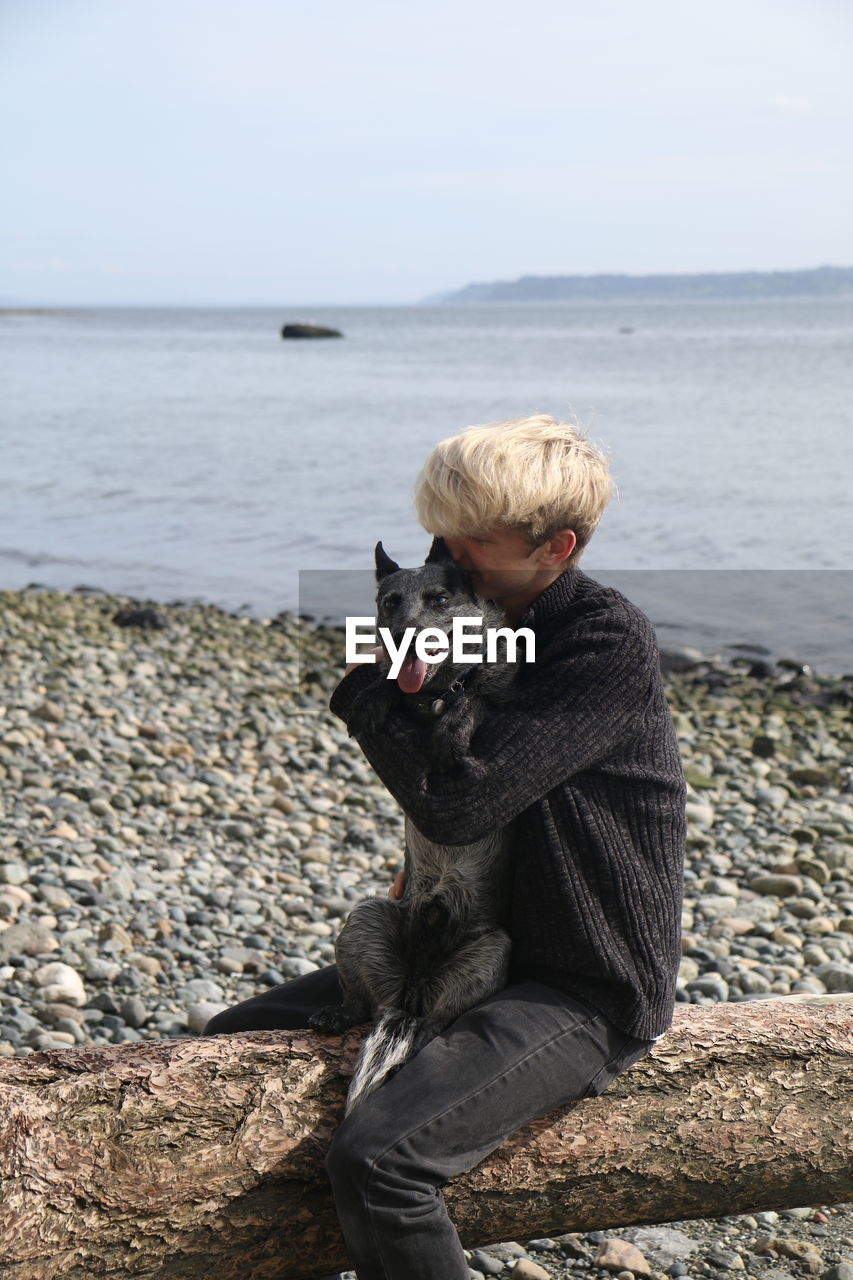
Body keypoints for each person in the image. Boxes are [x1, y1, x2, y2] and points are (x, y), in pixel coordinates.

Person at [205, 414, 686, 1280]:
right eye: (440, 532)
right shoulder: (469, 618)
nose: (446, 556)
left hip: (578, 977)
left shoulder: (601, 644)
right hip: (458, 942)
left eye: (471, 543)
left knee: (381, 1163)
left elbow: (460, 802)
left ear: (555, 549)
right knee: (226, 1040)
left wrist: (363, 694)